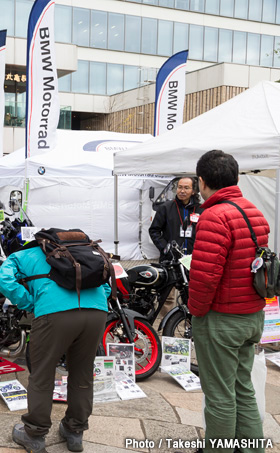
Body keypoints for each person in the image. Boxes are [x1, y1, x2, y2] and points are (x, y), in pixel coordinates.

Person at [189, 150, 269, 453]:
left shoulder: (215, 215)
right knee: (242, 387)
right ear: (235, 178)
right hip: (251, 315)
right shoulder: (253, 210)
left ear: (201, 181)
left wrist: (197, 311)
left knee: (219, 393)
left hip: (222, 318)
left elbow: (205, 276)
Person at [0, 241, 110, 453]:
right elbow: (105, 283)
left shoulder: (22, 255)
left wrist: (30, 303)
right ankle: (75, 432)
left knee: (42, 374)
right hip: (97, 312)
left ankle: (34, 434)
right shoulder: (82, 252)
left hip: (53, 312)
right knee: (83, 374)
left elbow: (3, 280)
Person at [149, 176, 203, 260]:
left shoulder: (201, 210)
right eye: (179, 187)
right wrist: (165, 248)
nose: (182, 191)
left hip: (194, 258)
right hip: (171, 259)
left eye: (186, 188)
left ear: (193, 191)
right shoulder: (166, 208)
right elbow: (154, 230)